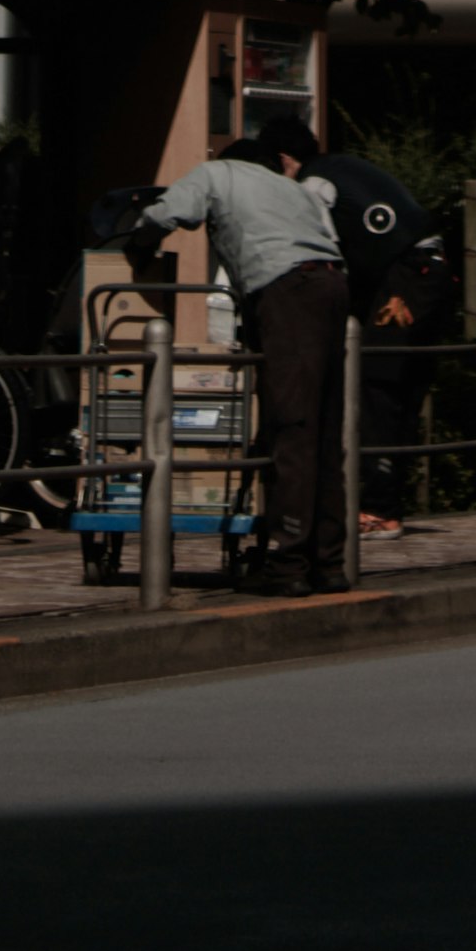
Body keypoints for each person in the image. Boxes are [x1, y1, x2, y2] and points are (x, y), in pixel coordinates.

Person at [121, 117, 349, 594]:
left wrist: (138, 241)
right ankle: (327, 563)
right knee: (323, 431)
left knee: (292, 427)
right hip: (331, 284)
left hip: (287, 290)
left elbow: (167, 213)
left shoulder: (218, 173)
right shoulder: (294, 189)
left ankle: (288, 566)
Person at [311, 142, 450, 539]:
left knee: (378, 386)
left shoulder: (315, 180)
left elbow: (324, 243)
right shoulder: (347, 168)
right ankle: (386, 503)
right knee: (402, 387)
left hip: (404, 280)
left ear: (286, 158)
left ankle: (380, 509)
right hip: (430, 271)